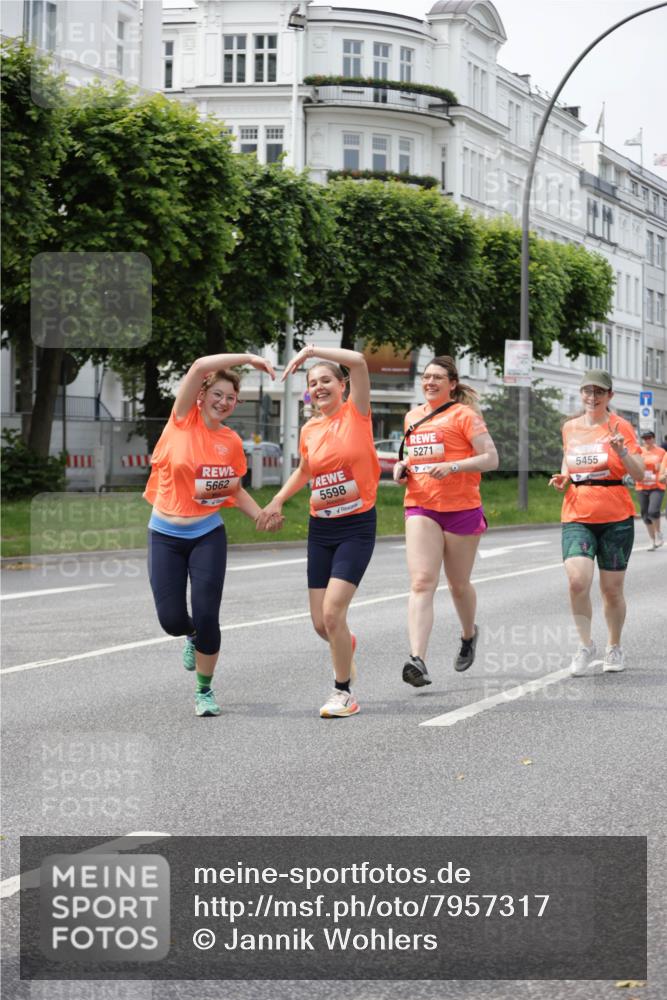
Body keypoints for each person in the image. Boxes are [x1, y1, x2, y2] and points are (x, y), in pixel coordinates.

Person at [143, 353, 279, 717]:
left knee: (207, 614)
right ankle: (189, 637)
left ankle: (204, 690)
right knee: (172, 620)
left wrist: (260, 515)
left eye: (231, 398)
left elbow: (232, 490)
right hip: (165, 534)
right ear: (202, 395)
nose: (224, 402)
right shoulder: (182, 420)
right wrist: (251, 359)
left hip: (207, 534)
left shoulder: (231, 442)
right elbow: (201, 365)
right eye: (217, 394)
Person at [257, 346, 380, 719]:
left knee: (332, 613)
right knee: (320, 623)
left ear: (343, 386)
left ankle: (343, 693)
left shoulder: (357, 415)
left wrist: (310, 351)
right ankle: (345, 641)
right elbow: (306, 470)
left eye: (326, 380)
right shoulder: (310, 428)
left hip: (356, 525)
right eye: (313, 383)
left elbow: (358, 360)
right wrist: (277, 499)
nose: (320, 387)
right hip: (320, 527)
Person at [392, 356, 498, 687]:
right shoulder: (412, 416)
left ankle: (468, 635)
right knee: (422, 581)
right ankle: (417, 659)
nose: (430, 382)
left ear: (452, 384)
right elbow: (412, 456)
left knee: (457, 584)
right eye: (426, 377)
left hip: (461, 506)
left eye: (438, 377)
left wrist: (454, 467)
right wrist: (401, 467)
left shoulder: (464, 416)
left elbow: (491, 459)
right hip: (421, 504)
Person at [548, 369, 644, 676]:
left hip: (616, 516)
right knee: (577, 581)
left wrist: (622, 451)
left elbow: (639, 472)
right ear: (581, 394)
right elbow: (569, 459)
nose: (593, 397)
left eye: (599, 392)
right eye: (588, 392)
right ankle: (584, 645)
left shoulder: (621, 427)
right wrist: (564, 476)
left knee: (611, 590)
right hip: (577, 513)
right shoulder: (570, 428)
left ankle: (613, 646)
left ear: (609, 396)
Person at [634, 429, 665, 550]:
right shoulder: (638, 451)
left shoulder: (661, 452)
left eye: (649, 438)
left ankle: (658, 533)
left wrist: (660, 467)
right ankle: (652, 541)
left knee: (653, 511)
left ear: (653, 438)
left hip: (657, 486)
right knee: (645, 515)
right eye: (645, 438)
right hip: (641, 486)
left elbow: (665, 465)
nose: (647, 440)